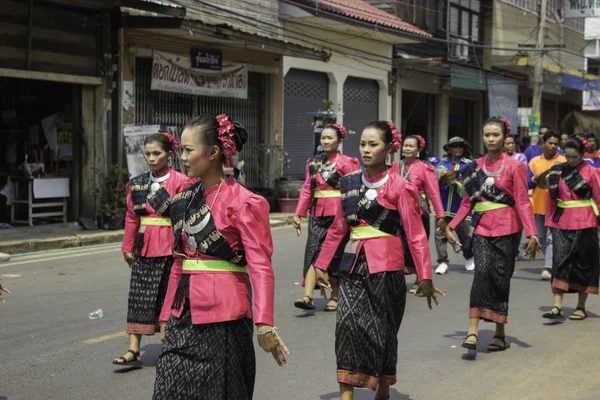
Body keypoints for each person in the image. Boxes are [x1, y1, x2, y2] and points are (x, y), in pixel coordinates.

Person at [153, 114, 287, 400]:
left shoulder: (245, 202)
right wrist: (166, 315)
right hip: (183, 313)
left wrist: (264, 323)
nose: (183, 158)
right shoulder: (182, 200)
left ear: (213, 153)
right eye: (183, 150)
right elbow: (178, 262)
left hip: (225, 316)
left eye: (189, 150)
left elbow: (261, 266)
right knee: (168, 387)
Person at [312, 121, 443, 400]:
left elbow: (416, 235)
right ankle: (346, 395)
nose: (366, 150)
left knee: (382, 329)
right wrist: (321, 265)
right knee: (346, 325)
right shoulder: (348, 183)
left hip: (388, 267)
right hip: (352, 263)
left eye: (374, 144)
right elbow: (338, 228)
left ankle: (382, 391)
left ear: (390, 148)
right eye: (363, 144)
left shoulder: (401, 187)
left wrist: (425, 277)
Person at [445, 117, 539, 352]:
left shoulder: (515, 166)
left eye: (495, 135)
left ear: (505, 137)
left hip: (508, 229)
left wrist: (533, 234)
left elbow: (522, 202)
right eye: (487, 134)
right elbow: (467, 203)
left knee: (500, 278)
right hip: (482, 228)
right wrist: (451, 225)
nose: (490, 139)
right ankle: (473, 331)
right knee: (482, 273)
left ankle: (499, 333)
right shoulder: (472, 168)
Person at [113, 132, 194, 366]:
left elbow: (187, 216)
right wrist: (126, 246)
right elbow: (131, 217)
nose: (151, 158)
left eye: (156, 153)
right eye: (147, 153)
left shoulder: (182, 182)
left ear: (170, 154)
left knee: (167, 297)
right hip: (144, 246)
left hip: (171, 247)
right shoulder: (137, 183)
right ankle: (133, 349)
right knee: (138, 296)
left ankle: (170, 344)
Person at [292, 124, 360, 312]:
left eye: (330, 138)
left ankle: (335, 295)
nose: (326, 141)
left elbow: (353, 189)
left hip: (339, 214)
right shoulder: (313, 162)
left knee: (335, 255)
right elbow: (307, 188)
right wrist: (298, 213)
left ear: (339, 140)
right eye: (323, 138)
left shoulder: (348, 162)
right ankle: (307, 296)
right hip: (317, 213)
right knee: (312, 252)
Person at [542, 135, 600, 320]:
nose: (570, 160)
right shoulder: (557, 171)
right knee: (559, 260)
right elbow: (551, 199)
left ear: (582, 154)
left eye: (574, 157)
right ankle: (557, 305)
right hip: (561, 221)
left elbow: (598, 198)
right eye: (567, 156)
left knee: (583, 263)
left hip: (586, 221)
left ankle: (580, 307)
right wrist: (549, 223)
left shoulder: (592, 172)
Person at [399, 135, 446, 293]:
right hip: (398, 213)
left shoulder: (425, 168)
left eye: (411, 146)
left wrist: (440, 216)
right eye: (405, 145)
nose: (407, 148)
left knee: (418, 246)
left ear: (419, 149)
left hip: (418, 212)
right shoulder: (395, 166)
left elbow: (434, 193)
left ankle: (421, 279)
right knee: (400, 246)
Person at [528, 131, 567, 280]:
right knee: (542, 236)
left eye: (556, 144)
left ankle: (548, 267)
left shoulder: (564, 160)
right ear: (543, 143)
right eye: (550, 143)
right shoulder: (534, 162)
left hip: (557, 205)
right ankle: (552, 261)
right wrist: (534, 179)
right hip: (538, 204)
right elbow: (527, 183)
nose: (552, 146)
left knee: (551, 237)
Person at [434, 136, 475, 274]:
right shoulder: (441, 164)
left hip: (461, 208)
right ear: (449, 149)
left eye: (460, 146)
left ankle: (469, 257)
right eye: (454, 146)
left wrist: (461, 182)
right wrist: (443, 177)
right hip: (443, 206)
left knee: (464, 235)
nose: (457, 148)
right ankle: (443, 261)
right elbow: (435, 179)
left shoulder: (469, 164)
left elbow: (473, 183)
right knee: (440, 235)